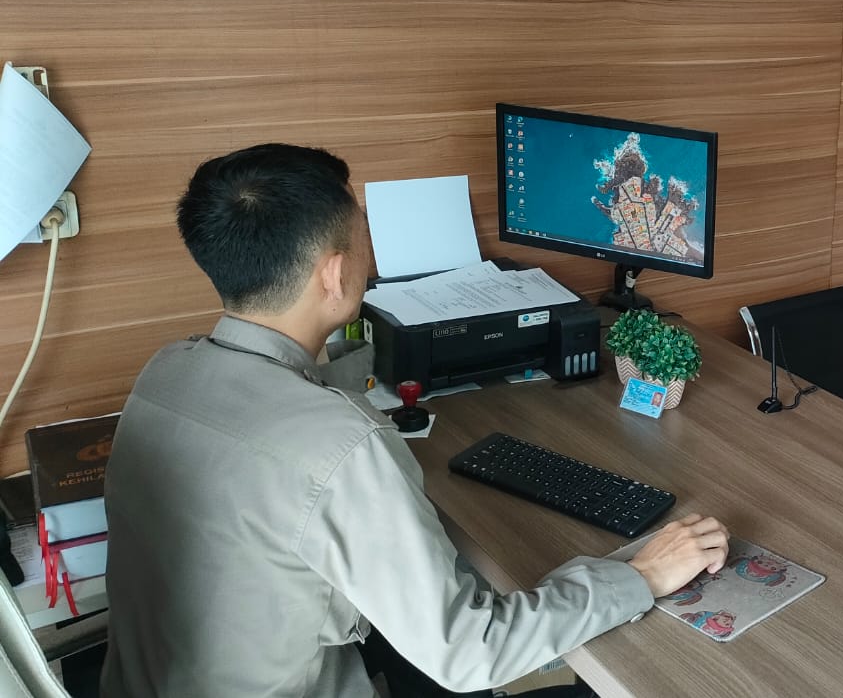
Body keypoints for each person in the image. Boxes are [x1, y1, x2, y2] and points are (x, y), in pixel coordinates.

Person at [101, 143, 730, 698]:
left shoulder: (166, 371)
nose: (371, 258)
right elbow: (471, 652)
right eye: (364, 241)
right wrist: (639, 576)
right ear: (335, 273)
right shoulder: (340, 447)